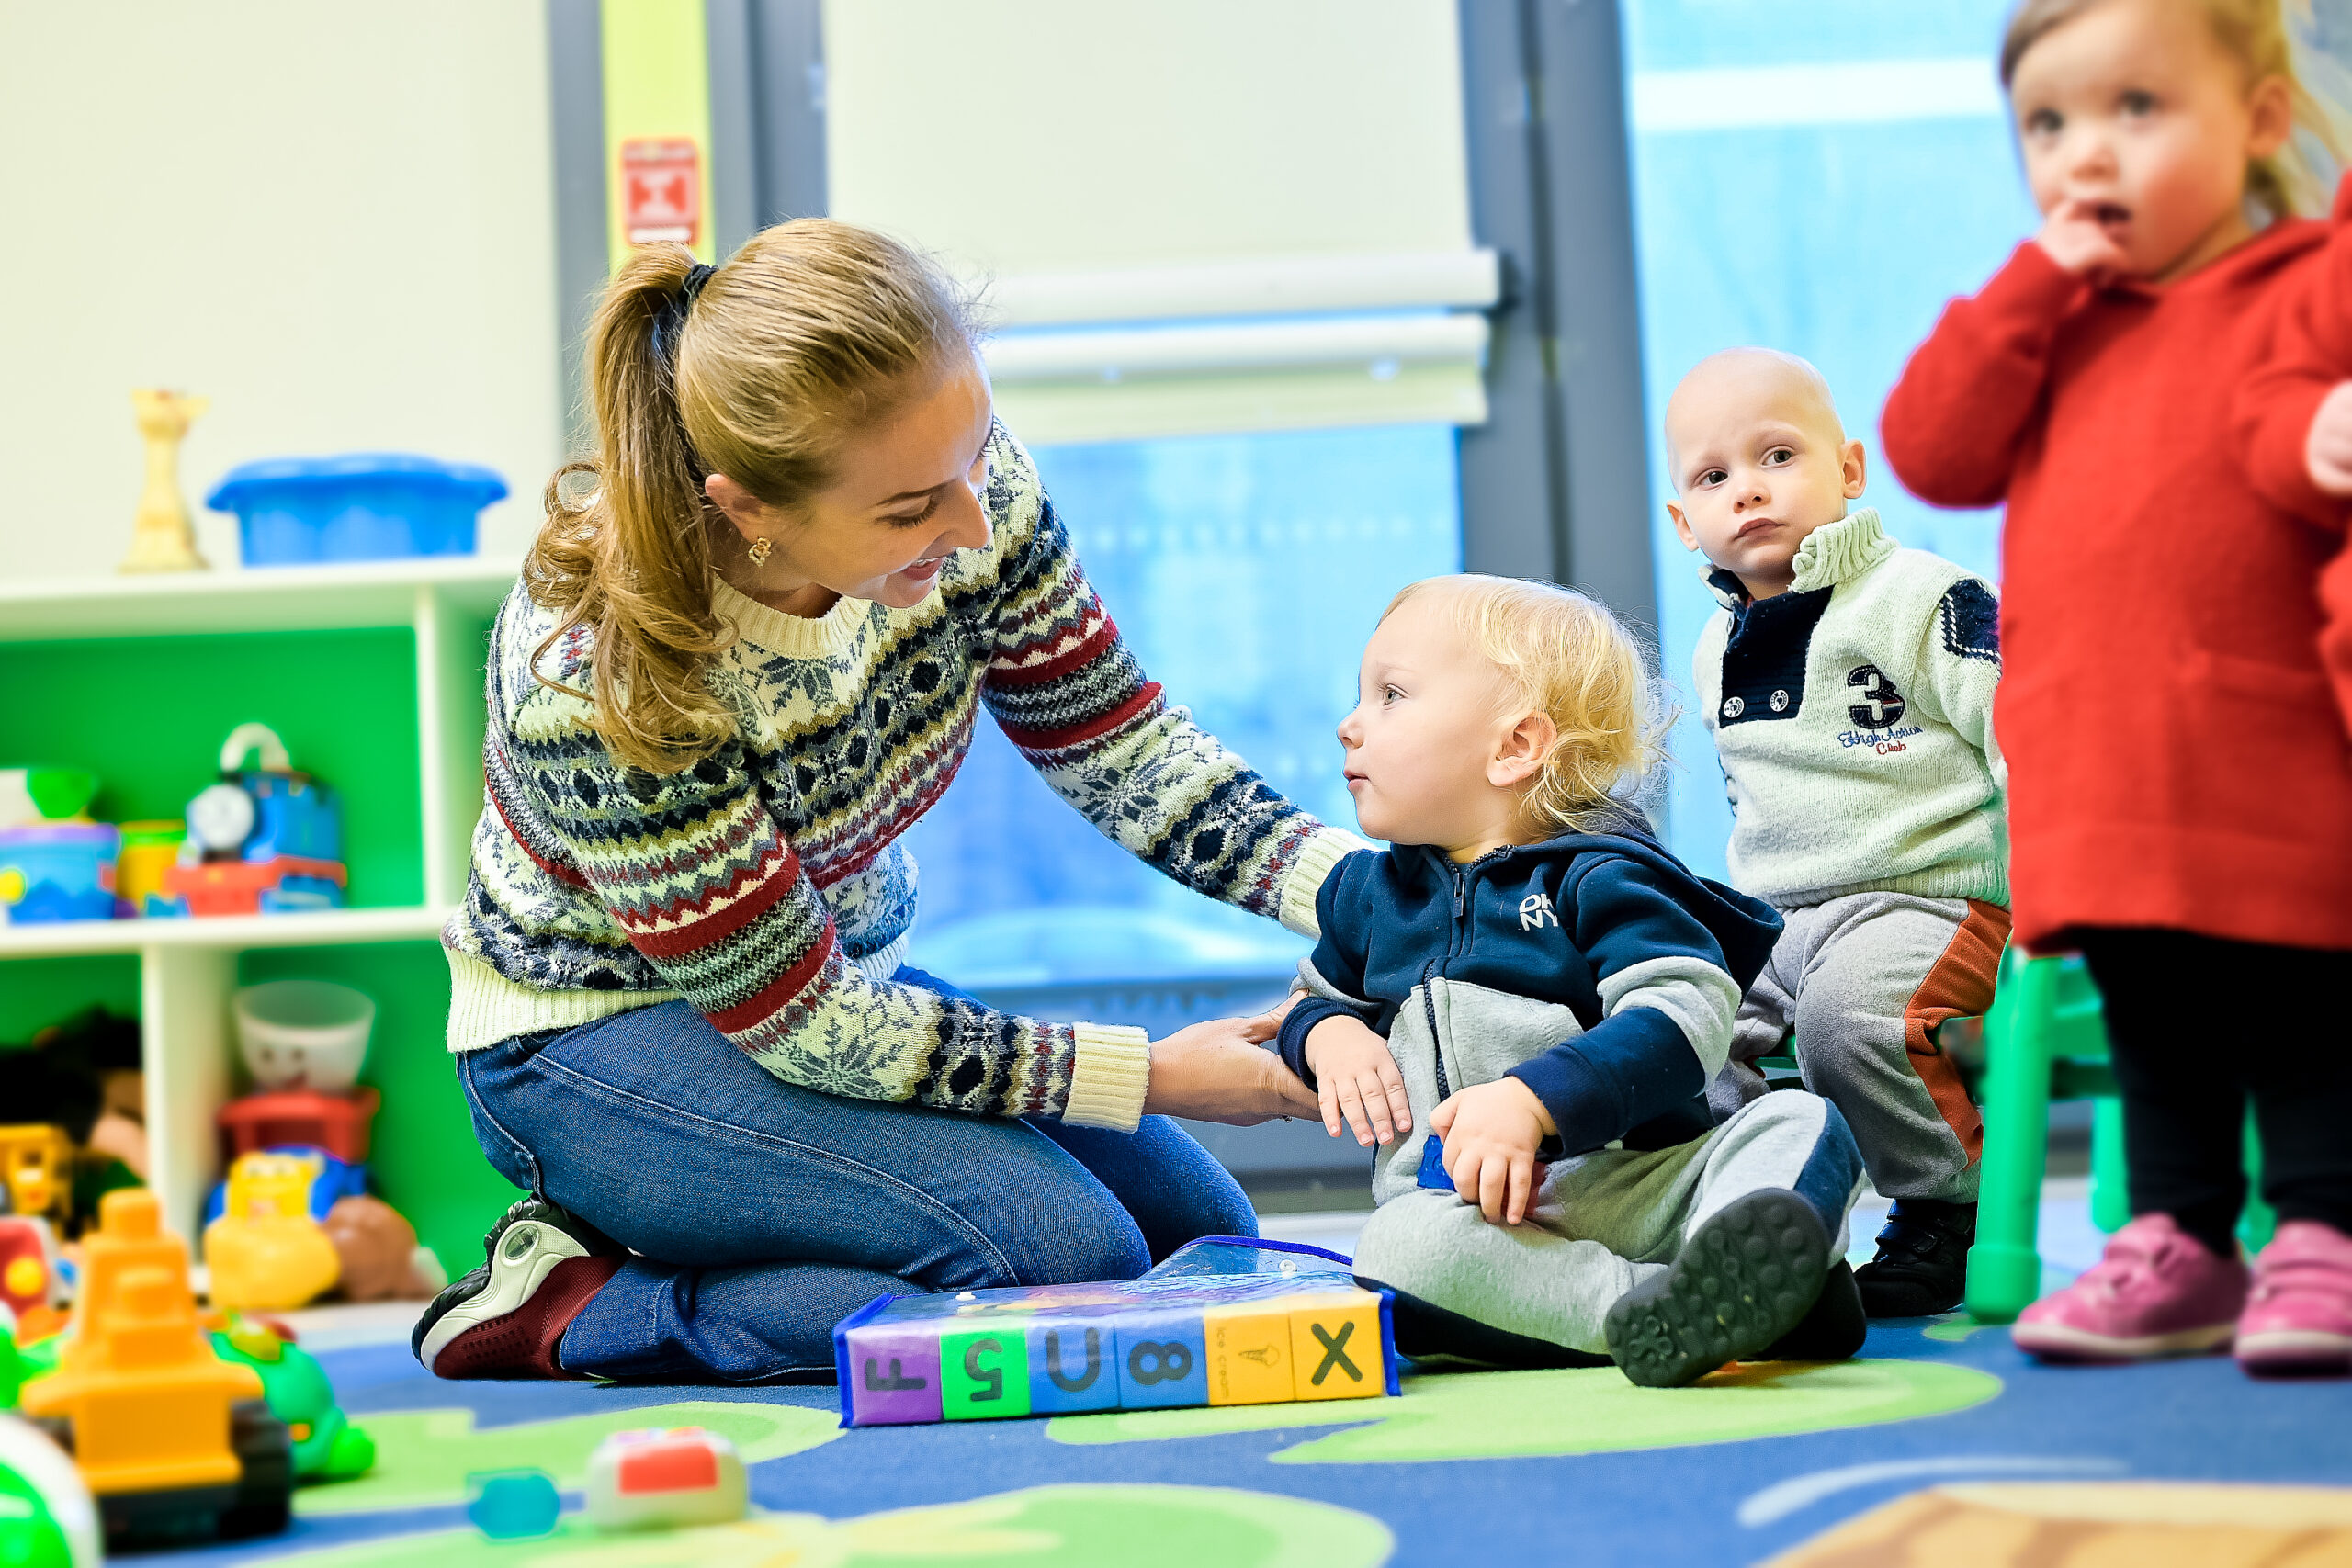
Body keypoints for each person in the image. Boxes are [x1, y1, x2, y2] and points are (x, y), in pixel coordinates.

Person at [411, 220, 1352, 1384]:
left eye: (974, 458)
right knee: (1057, 1259)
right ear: (745, 507)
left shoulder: (961, 478)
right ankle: (586, 1302)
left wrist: (1365, 894)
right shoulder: (600, 673)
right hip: (590, 1039)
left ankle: (724, 1224)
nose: (970, 525)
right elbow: (802, 1026)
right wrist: (1156, 1070)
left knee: (1195, 1243)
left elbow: (1112, 738)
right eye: (912, 511)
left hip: (834, 988)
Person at [1883, 0, 2352, 1373]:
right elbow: (1933, 447)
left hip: (2265, 737)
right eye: (2050, 123)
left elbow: (2291, 428)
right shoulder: (2055, 319)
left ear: (2260, 123)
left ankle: (2326, 1226)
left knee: (2299, 993)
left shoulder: (2308, 279)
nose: (2089, 152)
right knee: (2156, 1005)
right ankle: (2183, 1237)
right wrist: (2033, 283)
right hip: (2100, 749)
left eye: (2137, 110)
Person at [1269, 575, 1868, 1388]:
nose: (1350, 725)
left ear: (1515, 746)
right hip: (1486, 1216)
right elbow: (1313, 1003)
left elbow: (1683, 1013)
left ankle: (1732, 1267)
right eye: (1361, 698)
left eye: (1391, 697)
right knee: (1394, 1247)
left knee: (1797, 1120)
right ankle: (1669, 1308)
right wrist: (1329, 1033)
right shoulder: (1364, 897)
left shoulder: (1605, 878)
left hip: (1646, 1181)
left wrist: (1533, 1101)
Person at [1664, 349, 2007, 1319]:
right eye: (1713, 477)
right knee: (1686, 1026)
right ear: (1683, 520)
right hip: (1784, 915)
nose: (1749, 492)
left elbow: (2022, 727)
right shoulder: (1711, 648)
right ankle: (1758, 1221)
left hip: (1928, 895)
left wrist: (2061, 876)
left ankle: (1942, 1211)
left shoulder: (1924, 598)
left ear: (1848, 471)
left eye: (1778, 455)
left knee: (1845, 1021)